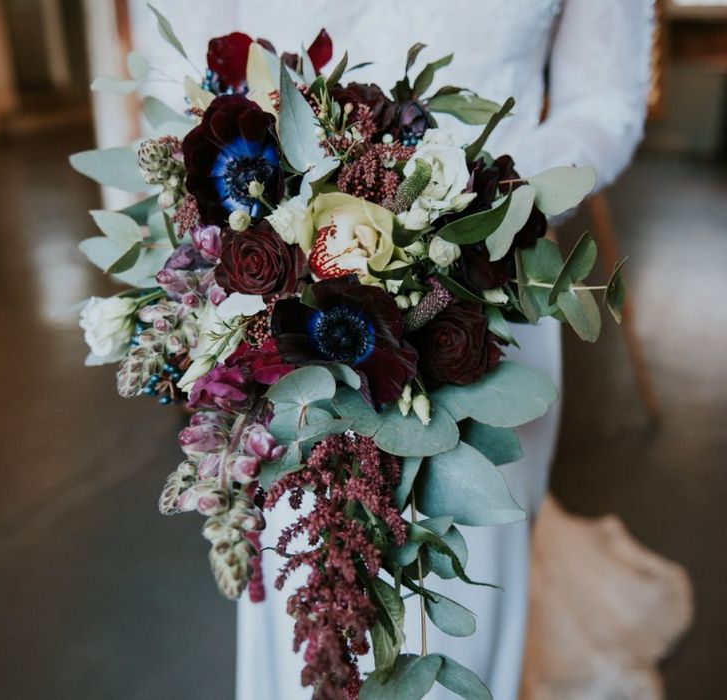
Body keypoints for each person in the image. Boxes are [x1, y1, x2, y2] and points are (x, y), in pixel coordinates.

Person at [124, 2, 690, 698]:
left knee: (471, 584)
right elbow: (174, 70)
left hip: (487, 291)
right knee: (303, 568)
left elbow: (603, 100)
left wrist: (474, 204)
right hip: (283, 289)